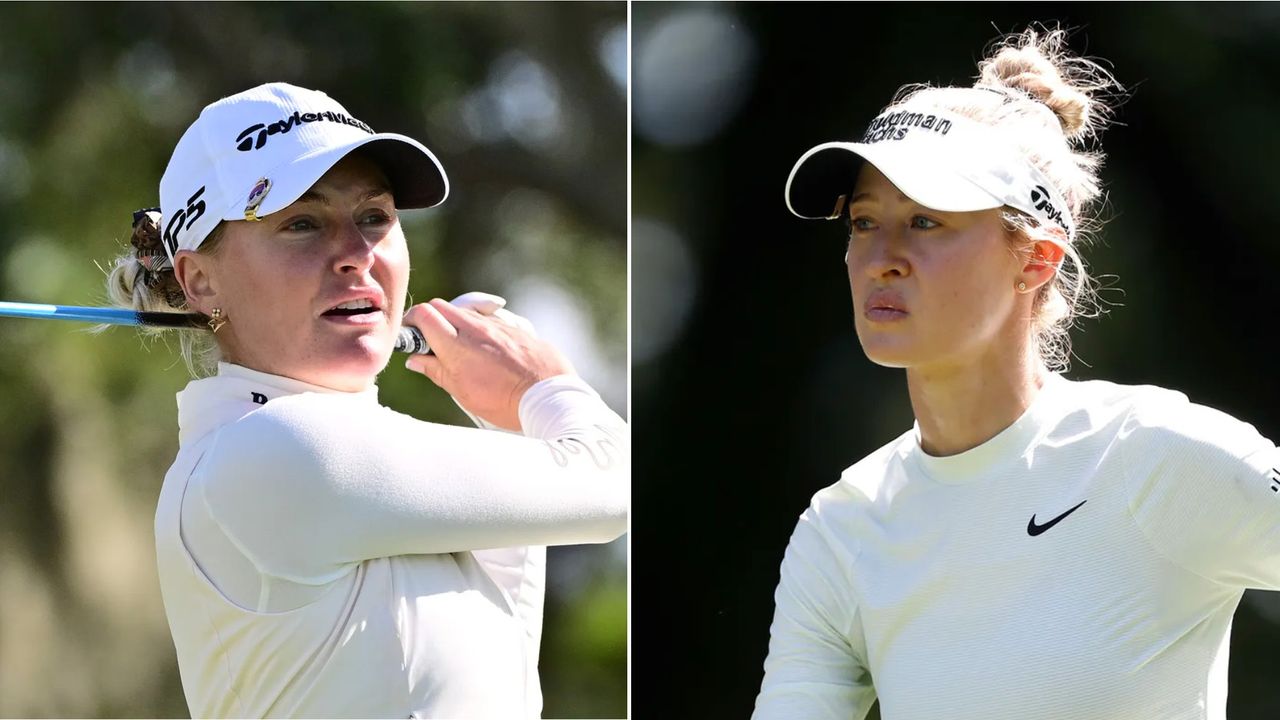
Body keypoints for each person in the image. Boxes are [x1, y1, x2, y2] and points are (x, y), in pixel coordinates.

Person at [755, 28, 1280, 720]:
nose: (881, 257)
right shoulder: (843, 529)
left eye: (925, 222)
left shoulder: (1156, 453)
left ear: (1035, 261)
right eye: (862, 222)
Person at [102, 82, 627, 718]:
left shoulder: (355, 465)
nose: (357, 256)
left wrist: (504, 411)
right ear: (200, 280)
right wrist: (540, 386)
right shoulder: (271, 452)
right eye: (301, 223)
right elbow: (614, 488)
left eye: (374, 217)